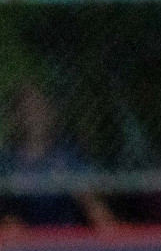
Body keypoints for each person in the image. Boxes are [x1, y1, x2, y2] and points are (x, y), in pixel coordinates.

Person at [0, 84, 115, 229]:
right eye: (28, 110)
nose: (35, 116)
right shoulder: (6, 160)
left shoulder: (67, 157)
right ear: (16, 117)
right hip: (24, 240)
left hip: (64, 237)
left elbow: (90, 201)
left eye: (40, 108)